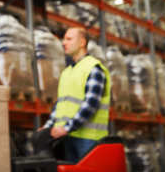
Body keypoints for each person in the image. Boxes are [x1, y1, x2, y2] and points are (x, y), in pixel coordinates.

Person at [40, 27, 111, 163]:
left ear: (82, 42)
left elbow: (90, 105)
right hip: (68, 137)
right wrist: (48, 127)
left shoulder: (93, 68)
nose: (63, 43)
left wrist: (66, 128)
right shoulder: (67, 72)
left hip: (89, 140)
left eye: (69, 39)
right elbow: (60, 106)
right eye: (64, 39)